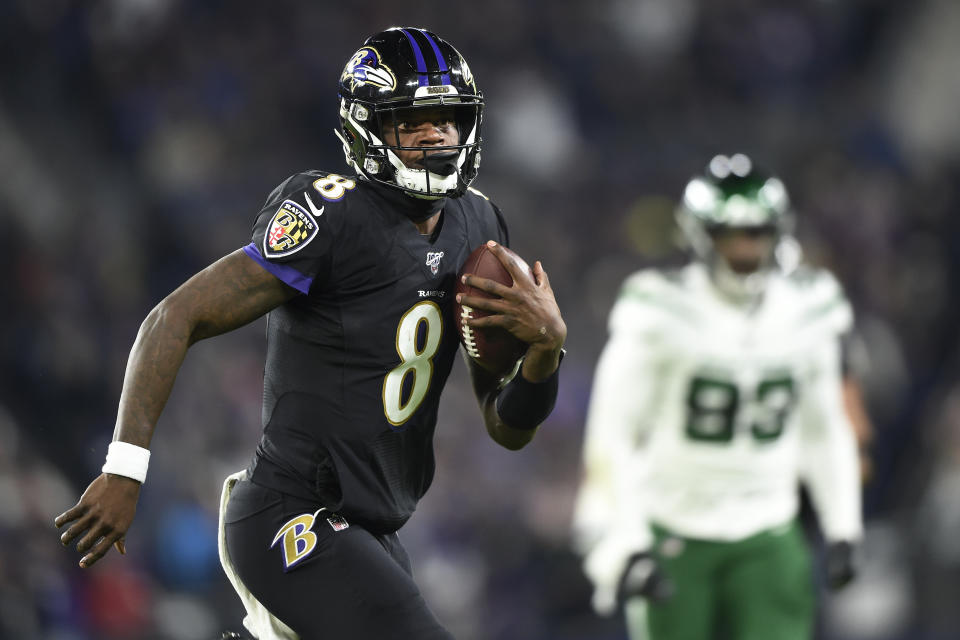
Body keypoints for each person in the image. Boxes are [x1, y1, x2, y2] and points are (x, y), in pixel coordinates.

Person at [55, 27, 566, 640]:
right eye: (413, 121)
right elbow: (174, 316)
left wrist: (545, 351)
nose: (436, 135)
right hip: (290, 512)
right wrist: (125, 468)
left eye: (447, 119)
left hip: (372, 531)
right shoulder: (331, 213)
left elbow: (508, 427)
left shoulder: (478, 224)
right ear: (367, 129)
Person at [572, 153, 862, 640]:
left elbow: (823, 425)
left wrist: (843, 524)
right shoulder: (660, 310)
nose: (745, 249)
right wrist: (622, 543)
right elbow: (613, 431)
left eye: (756, 233)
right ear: (700, 237)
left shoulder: (809, 309)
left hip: (769, 526)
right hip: (675, 525)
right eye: (730, 235)